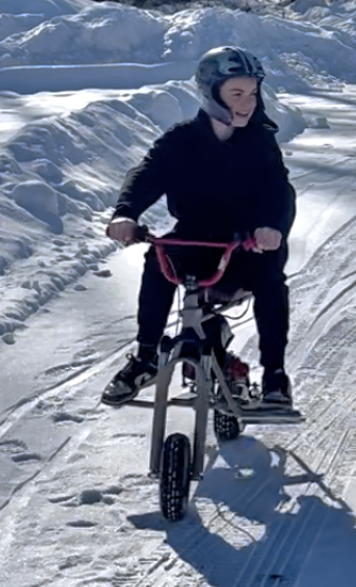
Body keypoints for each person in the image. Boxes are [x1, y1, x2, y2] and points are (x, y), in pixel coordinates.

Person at [101, 46, 297, 409]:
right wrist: (126, 213)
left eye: (252, 93)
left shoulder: (259, 143)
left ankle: (274, 377)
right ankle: (145, 357)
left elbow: (277, 189)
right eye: (236, 93)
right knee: (158, 261)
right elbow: (147, 173)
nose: (248, 102)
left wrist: (271, 227)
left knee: (271, 281)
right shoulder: (181, 141)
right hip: (196, 237)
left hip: (247, 244)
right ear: (211, 93)